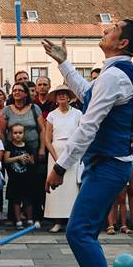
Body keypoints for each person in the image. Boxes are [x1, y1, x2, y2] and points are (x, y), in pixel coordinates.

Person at [42, 19, 133, 267]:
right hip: (106, 164)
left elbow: (88, 124)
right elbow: (87, 93)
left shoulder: (115, 76)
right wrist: (63, 62)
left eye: (113, 27)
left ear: (122, 42)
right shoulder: (115, 74)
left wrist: (60, 167)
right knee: (86, 232)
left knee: (78, 232)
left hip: (110, 165)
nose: (106, 27)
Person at [0, 82, 45, 225]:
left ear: (26, 93)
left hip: (32, 151)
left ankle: (34, 215)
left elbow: (42, 129)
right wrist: (2, 150)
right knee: (15, 184)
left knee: (33, 184)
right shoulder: (7, 110)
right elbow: (1, 131)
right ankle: (15, 217)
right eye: (15, 90)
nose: (17, 92)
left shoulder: (34, 108)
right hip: (12, 152)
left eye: (20, 90)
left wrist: (42, 148)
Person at [44, 86, 83, 232]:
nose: (61, 97)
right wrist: (56, 158)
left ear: (69, 97)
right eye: (58, 95)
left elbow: (82, 134)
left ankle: (73, 221)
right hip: (56, 152)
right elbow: (47, 139)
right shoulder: (51, 115)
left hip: (73, 152)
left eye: (64, 94)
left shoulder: (78, 113)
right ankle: (57, 221)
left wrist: (74, 151)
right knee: (57, 187)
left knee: (72, 187)